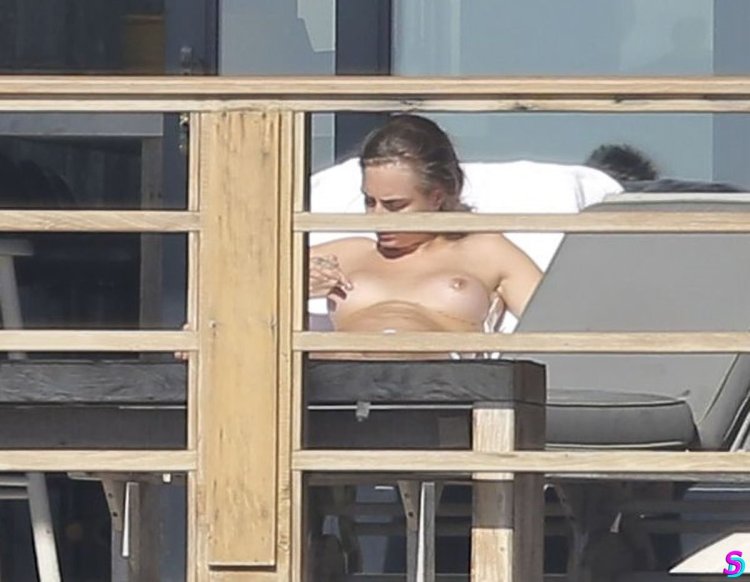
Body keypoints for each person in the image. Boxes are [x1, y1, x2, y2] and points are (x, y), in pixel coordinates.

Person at [308, 114, 542, 355]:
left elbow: (555, 320)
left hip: (436, 374)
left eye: (395, 205)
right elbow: (278, 276)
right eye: (370, 202)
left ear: (436, 197)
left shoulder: (485, 250)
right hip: (340, 371)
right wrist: (296, 287)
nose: (376, 217)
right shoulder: (349, 252)